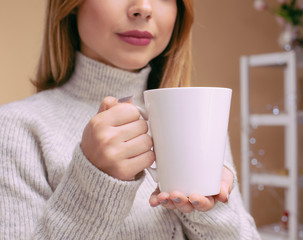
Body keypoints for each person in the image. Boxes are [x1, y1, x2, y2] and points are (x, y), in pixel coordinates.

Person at [0, 0, 260, 239]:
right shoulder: (16, 128)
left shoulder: (200, 117)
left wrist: (209, 206)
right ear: (72, 5)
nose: (143, 8)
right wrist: (95, 182)